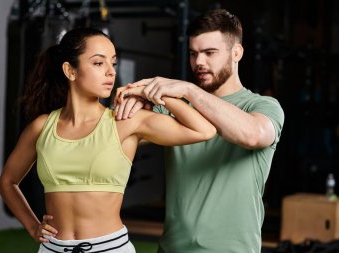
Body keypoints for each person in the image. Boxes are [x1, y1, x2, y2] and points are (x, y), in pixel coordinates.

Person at [0, 27, 216, 253]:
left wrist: (152, 92)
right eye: (98, 63)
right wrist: (33, 227)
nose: (111, 72)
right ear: (70, 71)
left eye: (113, 63)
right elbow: (8, 181)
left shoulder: (125, 121)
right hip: (52, 249)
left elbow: (204, 130)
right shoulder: (42, 127)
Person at [114, 9, 285, 253]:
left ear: (237, 53)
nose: (199, 62)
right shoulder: (173, 107)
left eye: (209, 53)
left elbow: (253, 135)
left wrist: (189, 90)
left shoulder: (262, 106)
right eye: (193, 54)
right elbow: (110, 136)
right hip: (171, 248)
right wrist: (132, 103)